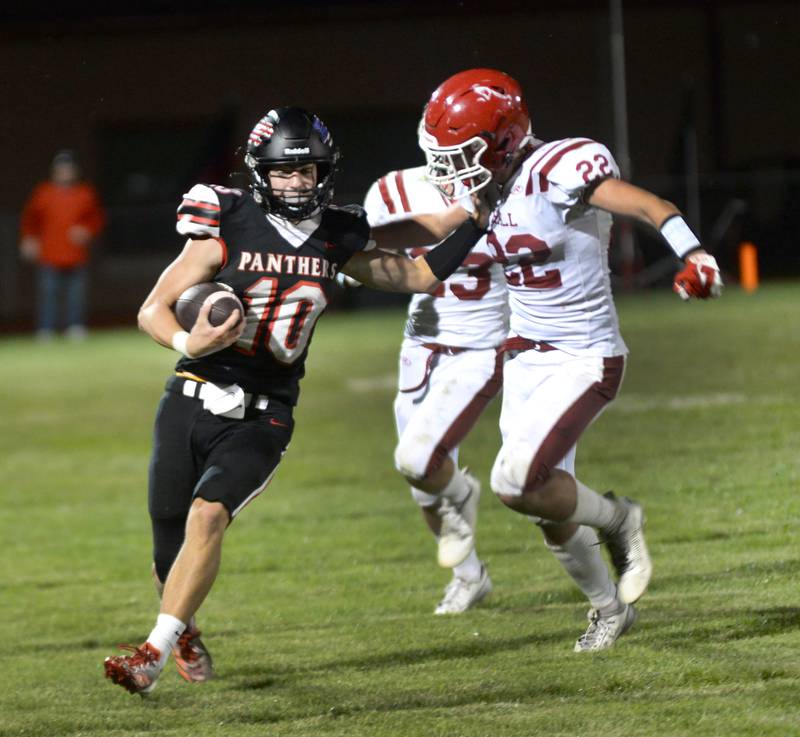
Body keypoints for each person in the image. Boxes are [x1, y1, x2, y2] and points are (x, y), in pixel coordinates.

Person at [103, 106, 491, 695]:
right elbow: (151, 310)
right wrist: (189, 339)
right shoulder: (226, 220)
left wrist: (474, 225)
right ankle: (182, 628)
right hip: (193, 392)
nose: (298, 182)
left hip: (266, 410)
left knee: (208, 514)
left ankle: (151, 654)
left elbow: (414, 276)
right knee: (166, 542)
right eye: (286, 172)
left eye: (309, 171)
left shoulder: (336, 234)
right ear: (260, 172)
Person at [418, 69, 723, 651]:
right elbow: (433, 235)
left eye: (460, 154)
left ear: (502, 142)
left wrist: (694, 252)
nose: (451, 169)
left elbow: (648, 203)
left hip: (584, 355)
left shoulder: (558, 166)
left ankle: (619, 519)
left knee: (515, 481)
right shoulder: (490, 189)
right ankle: (608, 609)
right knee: (545, 505)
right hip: (527, 358)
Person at [362, 167, 507, 614]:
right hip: (421, 341)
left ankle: (594, 578)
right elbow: (370, 256)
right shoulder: (391, 188)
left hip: (484, 339)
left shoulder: (505, 182)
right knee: (419, 477)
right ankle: (469, 577)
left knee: (425, 458)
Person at [18, 150, 105, 340]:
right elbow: (30, 220)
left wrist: (87, 231)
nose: (65, 173)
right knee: (48, 294)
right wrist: (29, 239)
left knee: (76, 296)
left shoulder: (84, 193)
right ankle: (46, 328)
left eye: (68, 169)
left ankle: (75, 326)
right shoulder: (44, 193)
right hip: (49, 253)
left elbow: (96, 219)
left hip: (76, 254)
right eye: (61, 169)